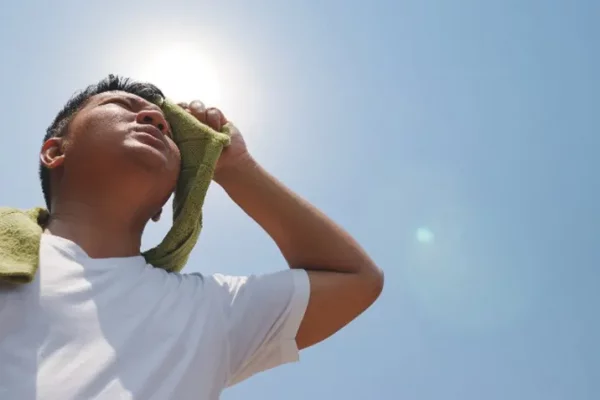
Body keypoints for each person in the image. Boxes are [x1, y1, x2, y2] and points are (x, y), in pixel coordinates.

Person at [0, 75, 384, 399]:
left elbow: (355, 280)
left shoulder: (207, 311)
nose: (154, 118)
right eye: (120, 105)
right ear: (54, 151)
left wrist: (237, 168)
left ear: (162, 207)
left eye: (169, 131)